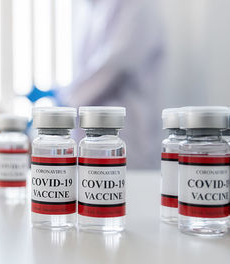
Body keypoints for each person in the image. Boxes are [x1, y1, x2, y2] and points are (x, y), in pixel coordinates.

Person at [58, 0, 164, 169]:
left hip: (130, 138)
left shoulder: (137, 6)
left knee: (125, 188)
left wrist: (67, 101)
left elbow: (116, 65)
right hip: (90, 140)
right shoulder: (92, 10)